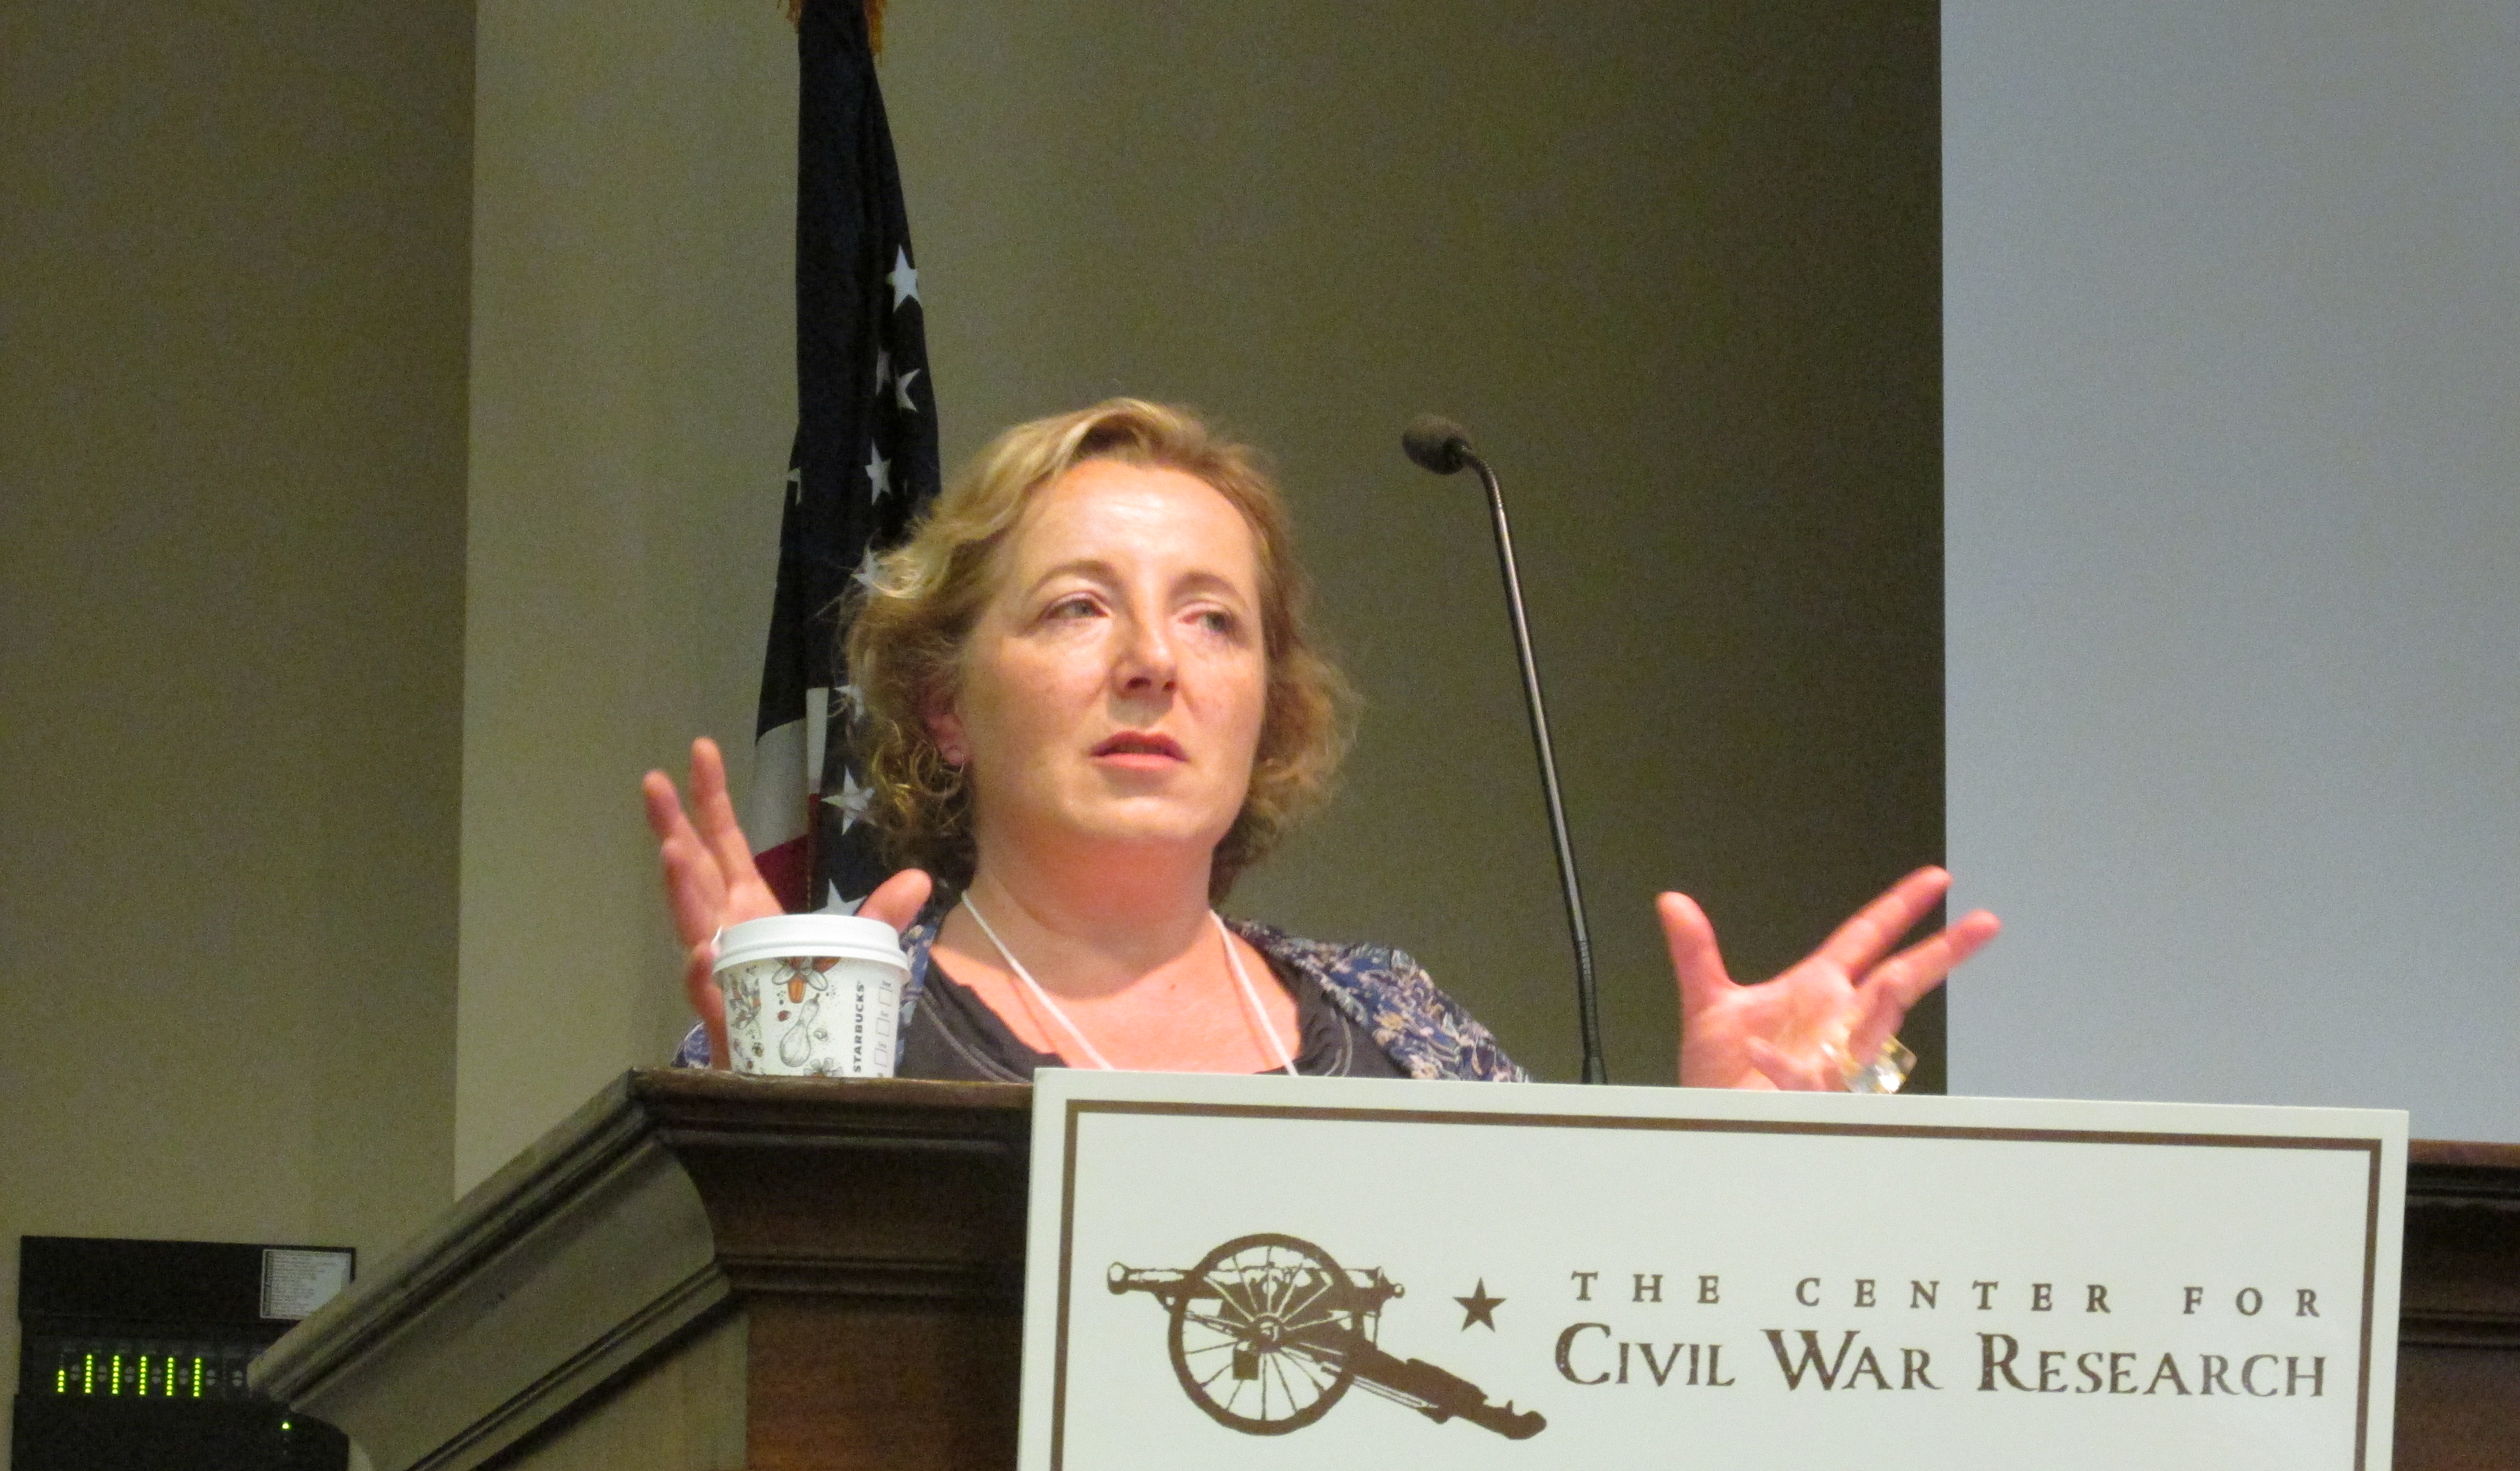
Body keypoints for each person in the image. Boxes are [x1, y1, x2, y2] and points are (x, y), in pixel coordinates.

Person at [645, 399, 1997, 1086]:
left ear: (1265, 708)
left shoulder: (1395, 1028)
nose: (1154, 663)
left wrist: (1716, 1169)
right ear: (944, 704)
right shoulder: (838, 1032)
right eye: (1076, 608)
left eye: (1214, 622)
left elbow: (1580, 1356)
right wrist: (770, 1082)